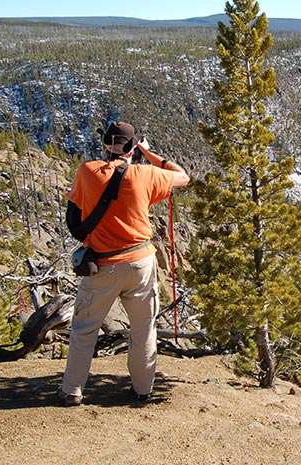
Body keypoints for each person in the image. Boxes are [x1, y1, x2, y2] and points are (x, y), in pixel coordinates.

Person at [58, 121, 190, 406]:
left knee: (84, 329)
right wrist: (148, 153)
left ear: (106, 144)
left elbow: (77, 210)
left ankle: (72, 390)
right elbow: (182, 177)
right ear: (132, 148)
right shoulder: (145, 174)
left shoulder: (87, 171)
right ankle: (142, 390)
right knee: (143, 330)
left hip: (101, 265)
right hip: (141, 261)